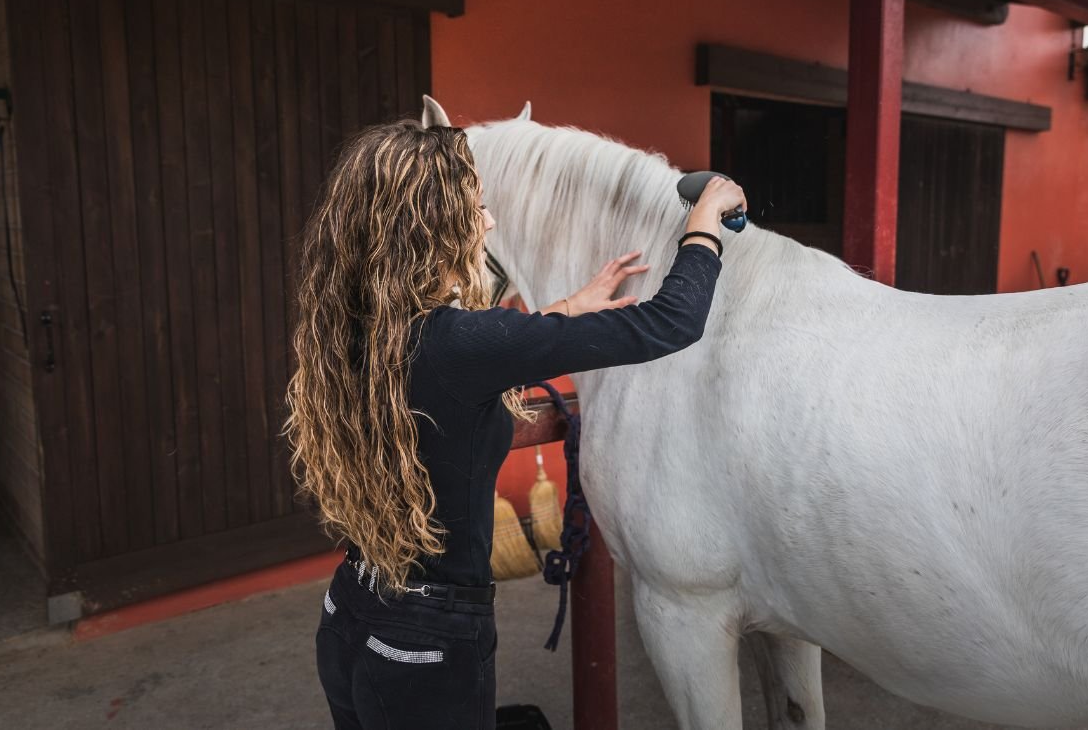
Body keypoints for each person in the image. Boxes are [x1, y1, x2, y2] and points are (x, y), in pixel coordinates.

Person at [284, 115, 744, 730]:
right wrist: (705, 221)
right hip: (427, 643)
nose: (491, 221)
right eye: (475, 207)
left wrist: (565, 311)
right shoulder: (462, 341)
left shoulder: (356, 326)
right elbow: (673, 321)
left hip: (350, 612)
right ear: (432, 223)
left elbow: (457, 362)